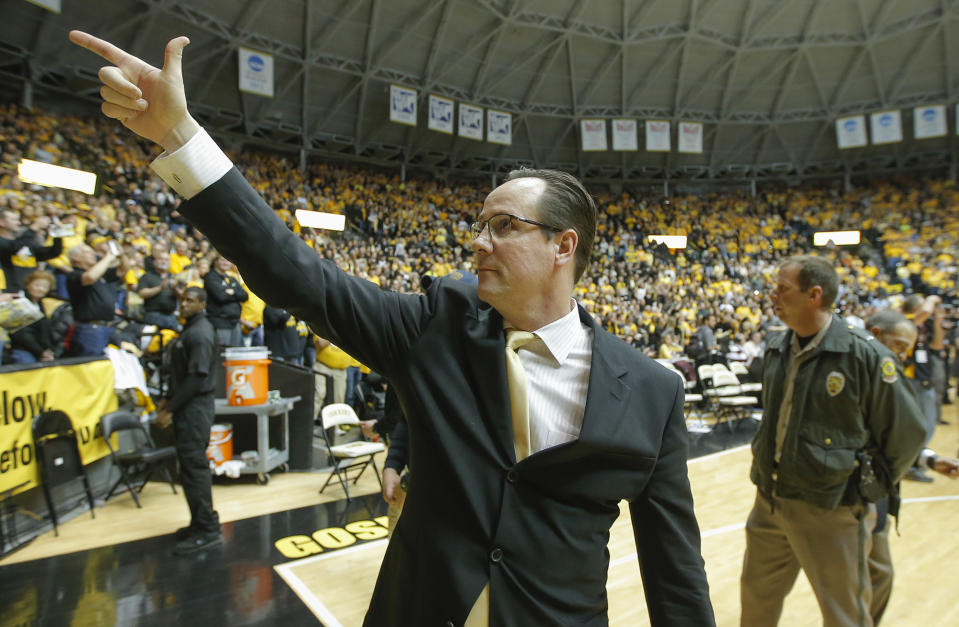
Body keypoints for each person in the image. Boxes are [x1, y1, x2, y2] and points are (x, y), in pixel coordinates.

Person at [71, 31, 714, 625]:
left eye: (504, 226)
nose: (478, 242)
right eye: (479, 225)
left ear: (562, 245)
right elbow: (295, 274)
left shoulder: (653, 392)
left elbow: (674, 567)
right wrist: (180, 134)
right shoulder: (435, 324)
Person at [740, 255, 926, 627]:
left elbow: (908, 433)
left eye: (783, 288)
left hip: (830, 506)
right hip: (771, 498)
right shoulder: (777, 347)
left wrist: (865, 486)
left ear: (814, 295)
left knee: (844, 614)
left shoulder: (864, 354)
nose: (772, 295)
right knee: (757, 602)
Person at [864, 308, 959, 624]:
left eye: (907, 349)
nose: (903, 355)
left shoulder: (886, 375)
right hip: (848, 498)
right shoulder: (860, 376)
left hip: (875, 492)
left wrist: (929, 458)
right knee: (852, 587)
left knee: (880, 576)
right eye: (899, 346)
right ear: (876, 336)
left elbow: (893, 434)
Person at [155, 286, 221, 555]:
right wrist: (167, 399)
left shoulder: (201, 333)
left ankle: (207, 529)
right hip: (187, 405)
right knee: (189, 469)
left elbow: (197, 378)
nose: (184, 304)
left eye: (190, 301)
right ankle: (199, 522)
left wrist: (170, 407)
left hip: (195, 408)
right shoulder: (190, 329)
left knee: (195, 469)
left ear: (202, 304)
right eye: (182, 299)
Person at [65, 243, 126, 357]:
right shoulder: (74, 275)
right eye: (88, 252)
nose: (93, 254)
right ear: (76, 257)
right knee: (91, 366)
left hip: (108, 327)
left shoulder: (101, 275)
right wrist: (108, 257)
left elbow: (123, 270)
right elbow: (90, 277)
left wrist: (121, 255)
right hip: (89, 329)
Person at [0, 210, 63, 293]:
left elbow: (52, 253)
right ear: (1, 222)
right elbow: (13, 247)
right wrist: (34, 227)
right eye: (14, 220)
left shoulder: (25, 242)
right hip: (9, 292)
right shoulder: (7, 243)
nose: (18, 223)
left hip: (29, 293)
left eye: (18, 220)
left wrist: (57, 234)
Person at [203, 254, 247, 346]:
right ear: (216, 262)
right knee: (222, 354)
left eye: (227, 261)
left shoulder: (231, 278)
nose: (225, 263)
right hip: (220, 323)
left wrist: (232, 292)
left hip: (235, 323)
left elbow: (245, 296)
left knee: (235, 355)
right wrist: (236, 293)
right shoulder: (210, 277)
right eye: (222, 260)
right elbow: (221, 297)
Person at [137, 248, 180, 331]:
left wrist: (175, 289)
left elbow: (181, 296)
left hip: (171, 317)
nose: (164, 261)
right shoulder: (147, 276)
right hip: (153, 316)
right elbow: (141, 293)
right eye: (161, 259)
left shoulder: (174, 277)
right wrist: (159, 288)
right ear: (154, 261)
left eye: (166, 260)